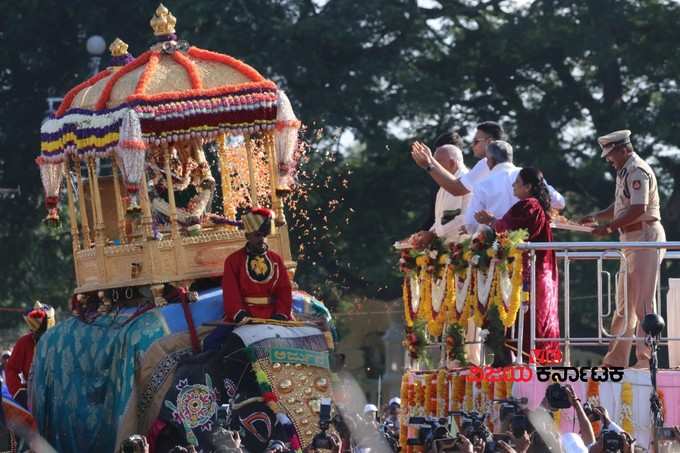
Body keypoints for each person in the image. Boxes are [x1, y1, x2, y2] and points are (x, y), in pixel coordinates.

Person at [579, 129, 666, 369]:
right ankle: (616, 360)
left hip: (645, 235)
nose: (608, 159)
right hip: (631, 238)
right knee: (625, 303)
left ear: (623, 149)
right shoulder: (625, 171)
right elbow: (620, 206)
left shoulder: (637, 170)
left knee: (644, 303)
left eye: (610, 154)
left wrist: (608, 228)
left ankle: (646, 359)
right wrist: (597, 217)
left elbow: (639, 207)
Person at [475, 167, 560, 354]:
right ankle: (533, 359)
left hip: (533, 272)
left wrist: (491, 221)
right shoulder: (534, 204)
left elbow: (512, 230)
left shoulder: (529, 205)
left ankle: (528, 361)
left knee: (530, 318)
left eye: (517, 183)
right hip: (539, 270)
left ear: (528, 187)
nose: (513, 186)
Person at [464, 141, 565, 234]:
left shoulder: (482, 185)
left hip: (498, 248)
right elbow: (560, 202)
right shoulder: (529, 175)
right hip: (533, 244)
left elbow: (470, 224)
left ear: (491, 160)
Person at [222, 208, 293, 323]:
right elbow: (231, 294)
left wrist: (280, 314)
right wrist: (241, 315)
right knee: (213, 341)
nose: (262, 239)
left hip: (274, 315)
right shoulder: (233, 261)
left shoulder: (276, 259)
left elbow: (284, 290)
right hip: (245, 316)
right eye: (257, 235)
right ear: (247, 236)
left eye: (265, 235)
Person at [411, 121, 506, 197]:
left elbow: (457, 188)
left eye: (476, 141)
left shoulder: (487, 164)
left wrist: (429, 165)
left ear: (489, 142)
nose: (472, 145)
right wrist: (430, 161)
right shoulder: (502, 165)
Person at [410, 141, 471, 246]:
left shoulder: (466, 181)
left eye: (437, 162)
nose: (433, 166)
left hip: (466, 246)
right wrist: (428, 233)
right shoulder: (445, 185)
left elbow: (464, 219)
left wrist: (433, 234)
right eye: (433, 162)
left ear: (452, 163)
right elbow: (440, 219)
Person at [5, 302, 55, 408]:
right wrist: (19, 392)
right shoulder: (24, 342)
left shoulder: (61, 341)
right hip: (34, 399)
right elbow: (11, 369)